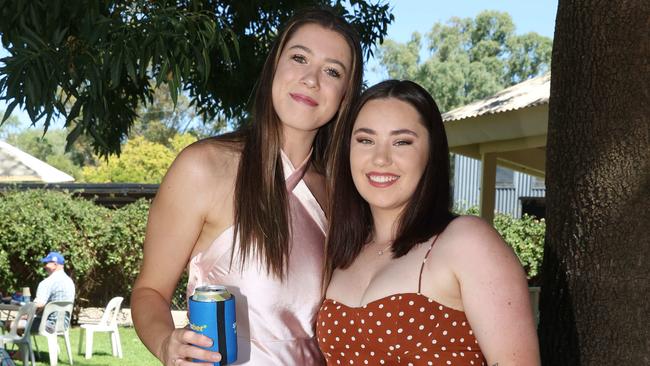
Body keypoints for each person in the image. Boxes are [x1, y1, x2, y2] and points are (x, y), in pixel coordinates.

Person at [131, 7, 363, 366]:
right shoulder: (204, 168)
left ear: (345, 94)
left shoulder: (346, 194)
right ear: (274, 66)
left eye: (332, 71)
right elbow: (149, 291)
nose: (311, 79)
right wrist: (165, 343)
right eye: (299, 58)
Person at [317, 80, 540, 365]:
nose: (380, 159)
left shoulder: (466, 241)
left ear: (431, 153)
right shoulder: (344, 250)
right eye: (365, 140)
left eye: (402, 142)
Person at [7, 251, 75, 334]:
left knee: (9, 324)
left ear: (54, 265)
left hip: (48, 326)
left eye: (46, 263)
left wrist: (22, 315)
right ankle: (26, 345)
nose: (44, 266)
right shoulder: (70, 282)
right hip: (63, 325)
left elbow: (38, 305)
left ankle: (23, 346)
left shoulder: (47, 282)